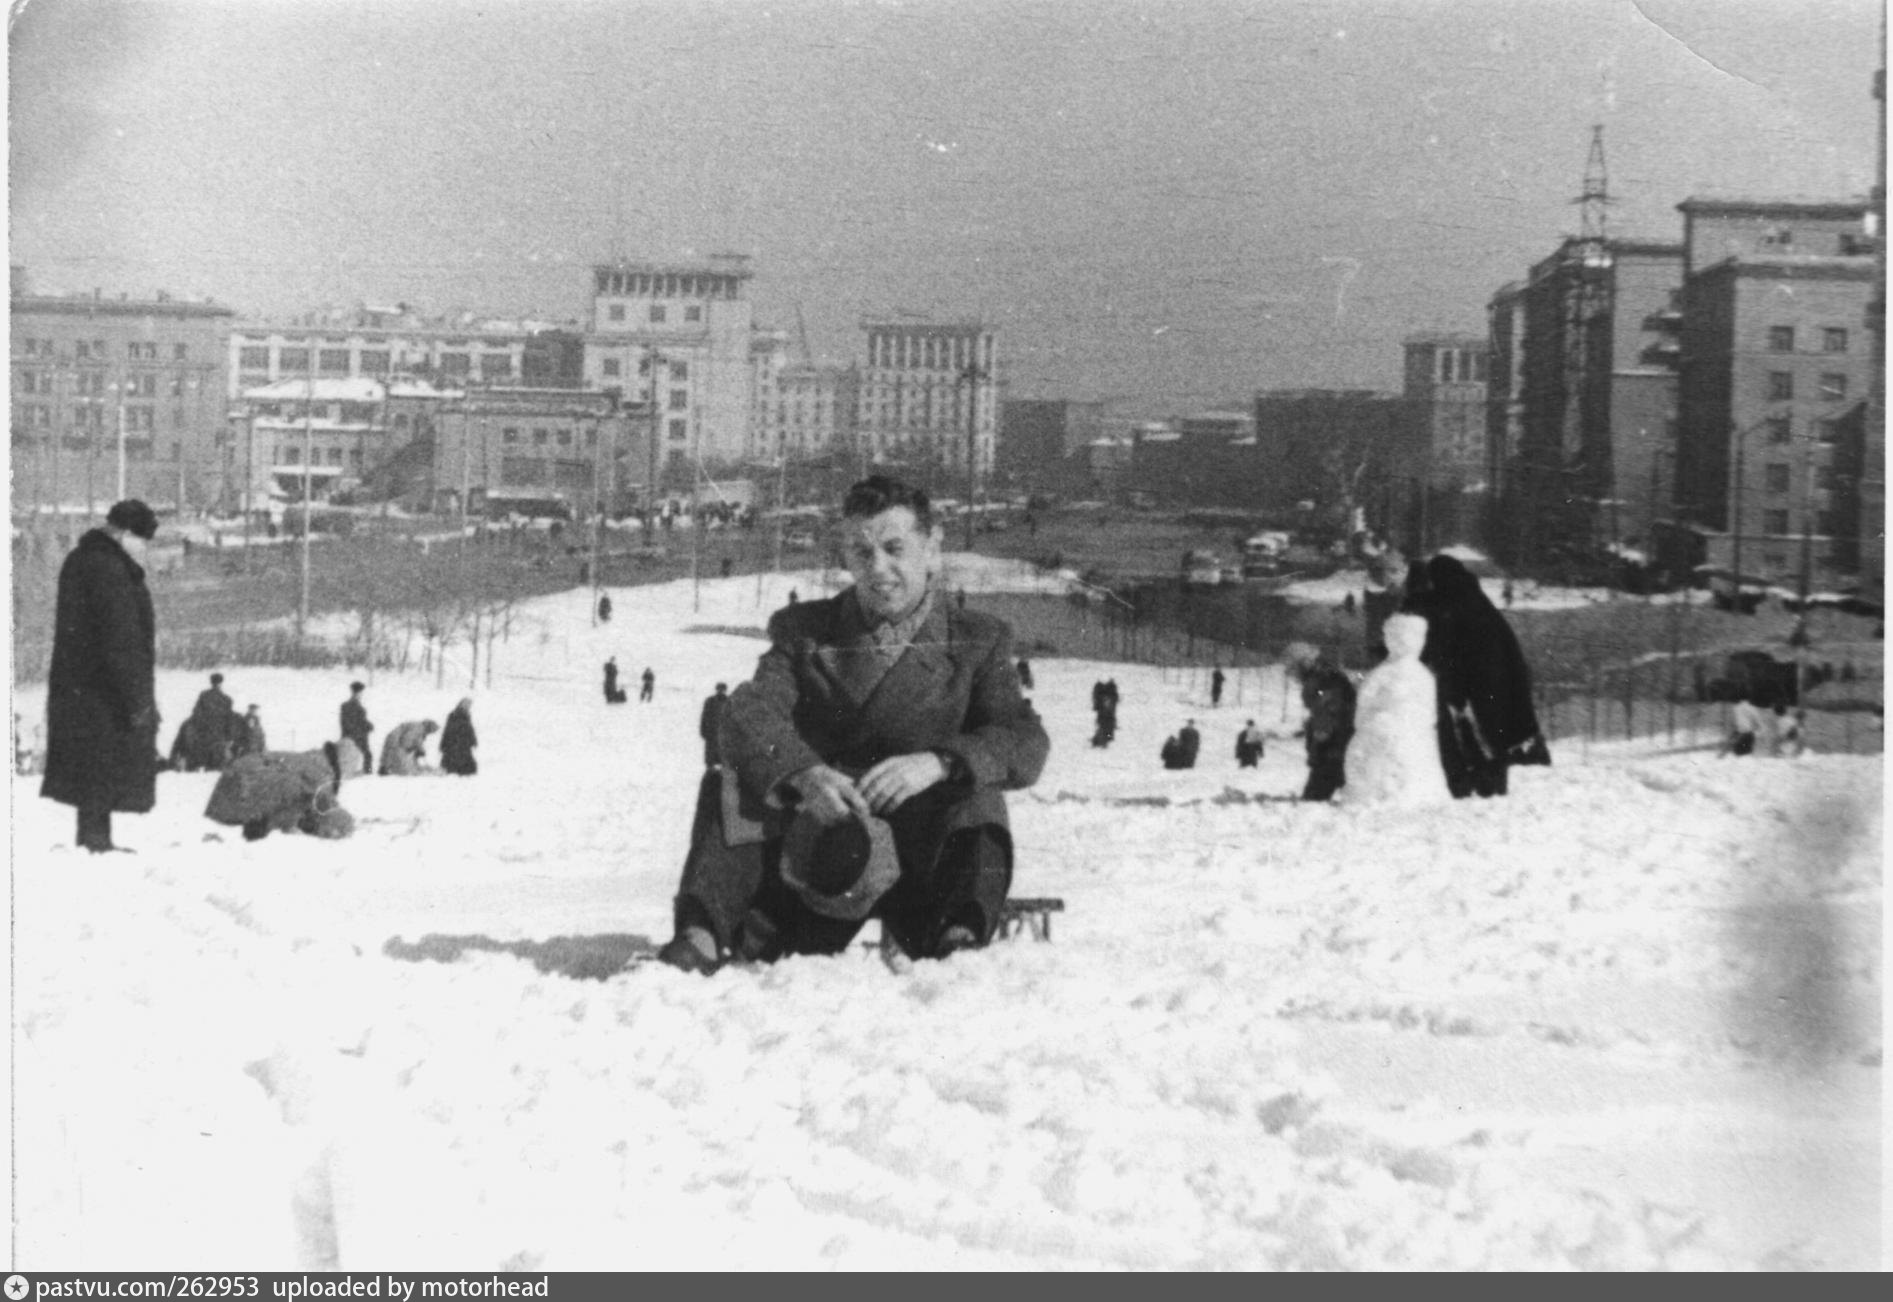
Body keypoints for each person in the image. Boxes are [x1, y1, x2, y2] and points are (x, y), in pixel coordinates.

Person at [658, 474, 1050, 975]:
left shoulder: (978, 640)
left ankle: (960, 941)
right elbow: (748, 715)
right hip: (816, 860)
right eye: (861, 553)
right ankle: (702, 937)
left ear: (932, 549)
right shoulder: (805, 631)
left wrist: (940, 762)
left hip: (921, 873)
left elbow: (1024, 739)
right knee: (735, 780)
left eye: (894, 549)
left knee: (976, 789)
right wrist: (803, 773)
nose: (878, 569)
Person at [41, 499, 162, 853]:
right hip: (103, 691)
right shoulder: (109, 569)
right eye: (142, 539)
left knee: (93, 765)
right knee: (102, 761)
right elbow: (120, 639)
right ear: (124, 533)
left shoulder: (83, 559)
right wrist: (138, 699)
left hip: (80, 686)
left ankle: (94, 837)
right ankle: (96, 841)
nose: (144, 548)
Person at [1400, 555, 1550, 798]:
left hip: (1475, 681)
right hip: (1494, 680)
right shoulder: (1475, 599)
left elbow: (1434, 628)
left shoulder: (1449, 603)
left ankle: (1476, 783)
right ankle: (1491, 783)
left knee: (1475, 734)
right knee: (1492, 734)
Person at [1340, 613, 1451, 808]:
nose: (1404, 643)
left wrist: (1417, 720)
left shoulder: (1423, 676)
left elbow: (1430, 709)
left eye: (1410, 638)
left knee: (1411, 762)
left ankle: (1411, 794)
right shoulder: (1382, 673)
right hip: (1380, 727)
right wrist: (1374, 716)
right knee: (1374, 761)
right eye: (1396, 638)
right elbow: (1364, 700)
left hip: (1413, 732)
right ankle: (1371, 795)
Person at [205, 741, 353, 841]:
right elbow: (327, 809)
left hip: (228, 790)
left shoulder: (311, 760)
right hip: (243, 789)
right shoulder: (323, 772)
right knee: (301, 798)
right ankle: (261, 822)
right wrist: (346, 824)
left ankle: (260, 822)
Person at [1293, 650, 1356, 802]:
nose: (1292, 675)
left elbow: (1325, 716)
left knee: (1315, 797)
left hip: (1333, 745)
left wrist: (1317, 744)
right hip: (1338, 740)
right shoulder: (1328, 677)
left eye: (1292, 669)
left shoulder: (1321, 682)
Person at [184, 672, 239, 771]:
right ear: (221, 683)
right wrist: (230, 737)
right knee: (217, 765)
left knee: (205, 761)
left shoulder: (204, 696)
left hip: (205, 735)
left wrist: (198, 730)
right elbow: (230, 719)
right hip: (219, 736)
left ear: (211, 682)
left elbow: (196, 714)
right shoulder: (226, 699)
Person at [340, 682, 375, 773]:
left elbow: (361, 720)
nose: (361, 695)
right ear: (355, 693)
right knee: (367, 755)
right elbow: (350, 723)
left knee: (367, 755)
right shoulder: (349, 706)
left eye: (361, 693)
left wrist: (369, 725)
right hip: (355, 736)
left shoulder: (351, 705)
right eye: (360, 693)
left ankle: (367, 771)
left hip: (358, 735)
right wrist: (364, 727)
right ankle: (368, 772)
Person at [440, 698, 478, 775]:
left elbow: (469, 729)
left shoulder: (466, 715)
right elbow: (448, 730)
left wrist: (473, 740)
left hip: (463, 743)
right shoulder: (454, 715)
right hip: (455, 743)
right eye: (466, 705)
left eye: (469, 706)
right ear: (461, 705)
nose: (468, 707)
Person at [698, 682, 731, 768]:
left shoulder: (729, 701)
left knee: (724, 760)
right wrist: (703, 731)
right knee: (710, 761)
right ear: (716, 690)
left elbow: (731, 718)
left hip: (723, 735)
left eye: (722, 690)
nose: (720, 691)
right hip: (711, 735)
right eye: (719, 689)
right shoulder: (710, 701)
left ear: (725, 690)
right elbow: (704, 717)